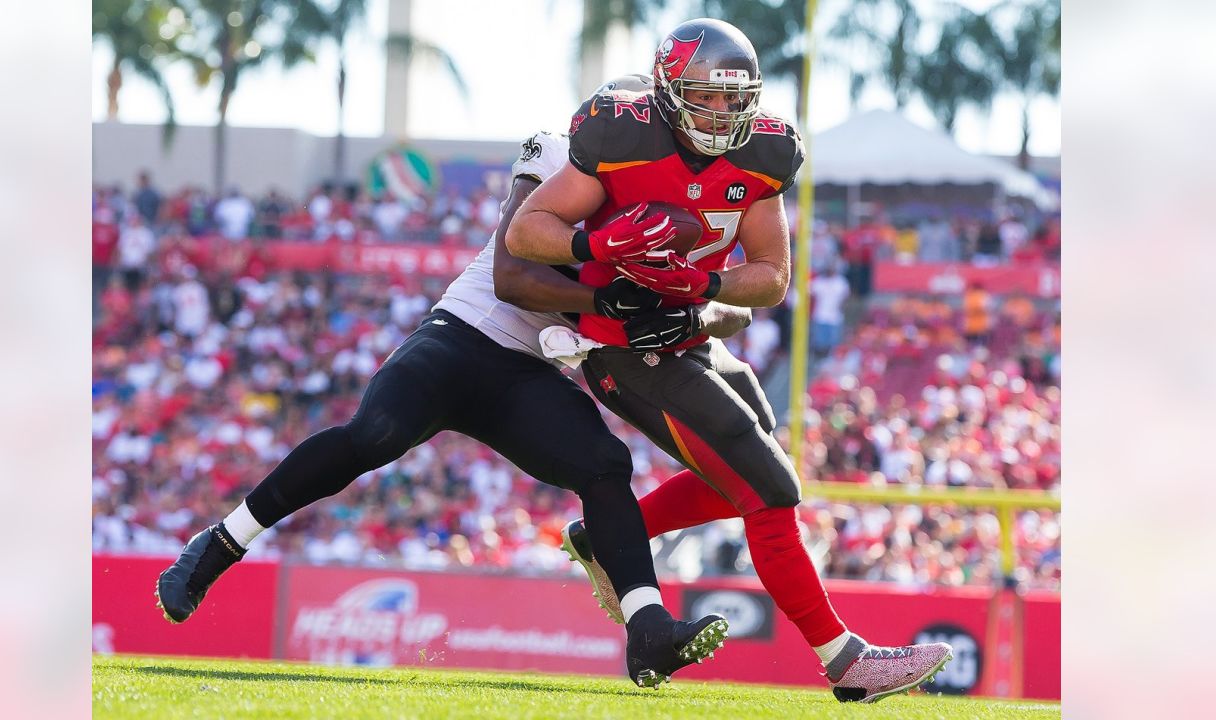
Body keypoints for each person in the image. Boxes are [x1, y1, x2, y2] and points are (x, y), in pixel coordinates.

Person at [154, 77, 739, 689]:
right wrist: (613, 300)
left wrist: (693, 310)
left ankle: (648, 631)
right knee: (374, 436)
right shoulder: (561, 155)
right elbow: (513, 277)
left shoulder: (669, 199)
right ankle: (222, 543)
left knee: (604, 463)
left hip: (529, 369)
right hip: (465, 333)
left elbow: (728, 297)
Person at [505, 18, 951, 704]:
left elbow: (771, 274)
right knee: (769, 486)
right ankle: (846, 661)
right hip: (624, 346)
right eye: (703, 95)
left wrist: (705, 285)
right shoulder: (620, 135)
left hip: (690, 330)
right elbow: (529, 231)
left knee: (748, 470)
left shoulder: (767, 150)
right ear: (666, 91)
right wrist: (601, 246)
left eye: (733, 96)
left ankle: (605, 537)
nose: (721, 110)